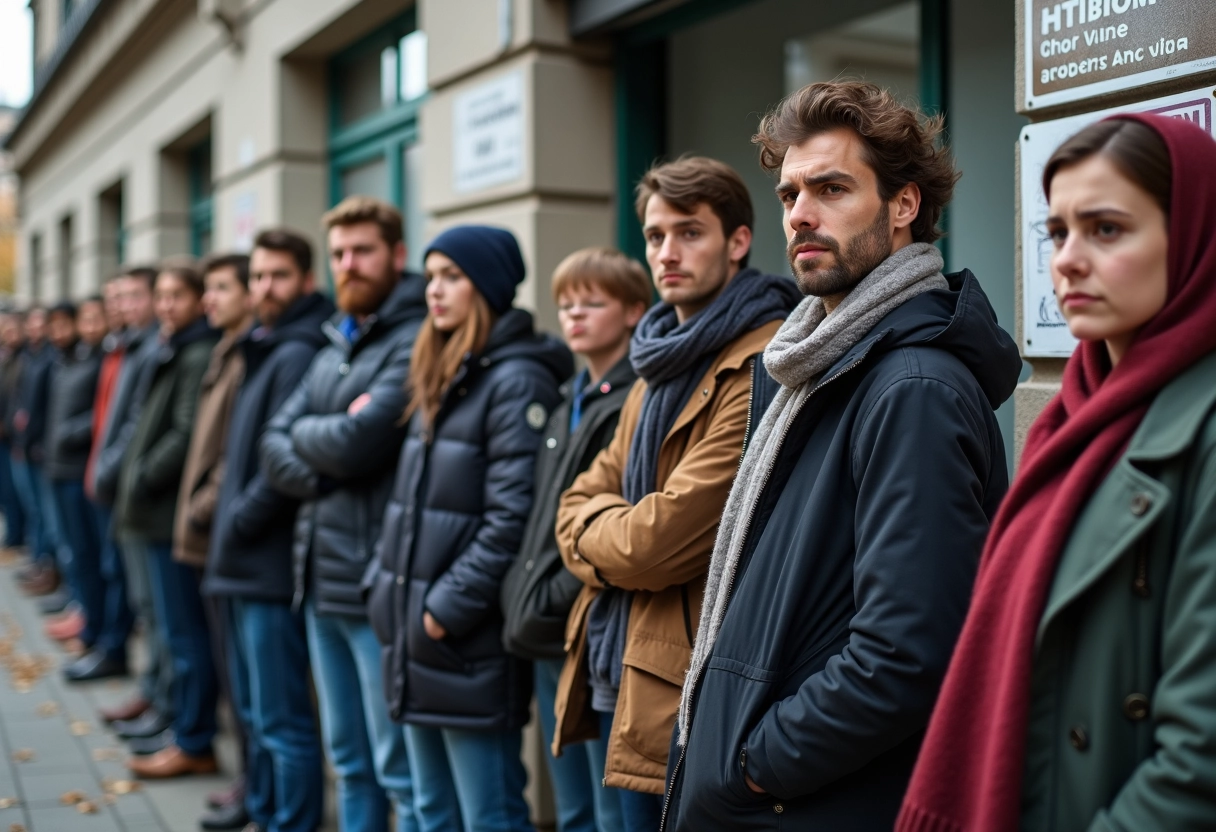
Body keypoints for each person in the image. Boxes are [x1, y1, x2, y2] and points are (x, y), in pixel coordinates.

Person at [661, 81, 1021, 831]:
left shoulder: (912, 386)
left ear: (904, 205)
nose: (799, 213)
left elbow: (907, 655)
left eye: (831, 188)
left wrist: (753, 765)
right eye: (790, 192)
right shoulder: (811, 368)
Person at [899, 115, 1216, 832]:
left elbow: (1199, 764)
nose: (1068, 260)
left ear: (1195, 233)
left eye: (1106, 230)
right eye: (1059, 233)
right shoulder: (1071, 417)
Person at [554, 157, 801, 830]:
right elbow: (581, 493)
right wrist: (602, 529)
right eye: (656, 235)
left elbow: (662, 542)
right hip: (615, 654)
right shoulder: (657, 356)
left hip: (682, 674)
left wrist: (588, 536)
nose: (667, 252)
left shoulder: (762, 360)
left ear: (739, 242)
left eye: (690, 233)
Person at [366, 225, 571, 832]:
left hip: (463, 638)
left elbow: (513, 520)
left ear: (487, 286)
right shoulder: (442, 369)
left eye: (451, 277)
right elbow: (408, 504)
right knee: (430, 810)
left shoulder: (515, 380)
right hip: (415, 628)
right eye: (431, 277)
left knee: (490, 815)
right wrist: (384, 588)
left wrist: (444, 609)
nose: (435, 290)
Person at [261, 197, 424, 832]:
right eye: (338, 255)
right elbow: (274, 441)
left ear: (396, 256)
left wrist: (323, 444)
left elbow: (361, 445)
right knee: (349, 763)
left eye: (362, 251)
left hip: (373, 584)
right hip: (319, 579)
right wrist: (327, 457)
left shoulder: (413, 337)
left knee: (397, 771)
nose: (348, 265)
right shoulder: (334, 340)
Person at [500, 248, 649, 832]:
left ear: (635, 310)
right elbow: (545, 516)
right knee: (572, 806)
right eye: (565, 304)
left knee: (608, 805)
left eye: (593, 302)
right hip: (547, 628)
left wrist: (550, 596)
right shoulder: (567, 398)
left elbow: (617, 520)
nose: (575, 315)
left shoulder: (634, 399)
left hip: (592, 624)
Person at [204, 230, 333, 832]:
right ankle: (263, 811)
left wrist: (239, 520)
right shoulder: (266, 343)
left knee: (282, 718)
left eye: (278, 275)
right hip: (241, 559)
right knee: (256, 711)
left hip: (269, 562)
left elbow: (283, 466)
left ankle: (290, 821)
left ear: (306, 281)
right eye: (257, 276)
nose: (265, 288)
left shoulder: (298, 349)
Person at [116, 261, 222, 778]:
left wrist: (139, 475)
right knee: (167, 626)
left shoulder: (196, 352)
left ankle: (192, 736)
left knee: (184, 634)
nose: (165, 305)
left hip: (166, 517)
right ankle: (178, 723)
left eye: (176, 295)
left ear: (198, 300)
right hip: (154, 513)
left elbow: (184, 434)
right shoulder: (173, 346)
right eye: (160, 296)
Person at [165, 253, 254, 828]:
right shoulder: (223, 350)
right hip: (205, 533)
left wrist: (199, 509)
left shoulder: (248, 354)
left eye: (221, 288)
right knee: (236, 679)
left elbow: (235, 454)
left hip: (220, 535)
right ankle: (254, 789)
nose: (207, 300)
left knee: (253, 692)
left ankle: (262, 797)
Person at [66, 271, 150, 685]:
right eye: (115, 298)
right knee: (106, 566)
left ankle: (114, 648)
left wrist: (109, 469)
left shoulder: (146, 349)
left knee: (122, 578)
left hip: (121, 483)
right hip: (103, 475)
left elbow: (136, 422)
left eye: (132, 297)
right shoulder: (122, 347)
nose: (120, 306)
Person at [43, 300, 106, 652]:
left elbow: (103, 412)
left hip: (79, 469)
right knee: (73, 548)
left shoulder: (101, 362)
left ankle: (92, 623)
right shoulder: (74, 358)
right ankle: (81, 609)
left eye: (98, 318)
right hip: (58, 465)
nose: (91, 325)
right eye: (87, 319)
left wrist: (70, 433)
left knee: (86, 551)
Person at [11, 306, 64, 596]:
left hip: (45, 450)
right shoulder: (30, 357)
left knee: (47, 515)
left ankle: (49, 568)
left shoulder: (52, 359)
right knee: (35, 508)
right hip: (26, 444)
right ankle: (40, 562)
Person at [0, 311, 27, 558]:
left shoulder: (24, 360)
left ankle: (17, 539)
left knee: (13, 493)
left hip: (13, 437)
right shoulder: (8, 358)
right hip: (7, 436)